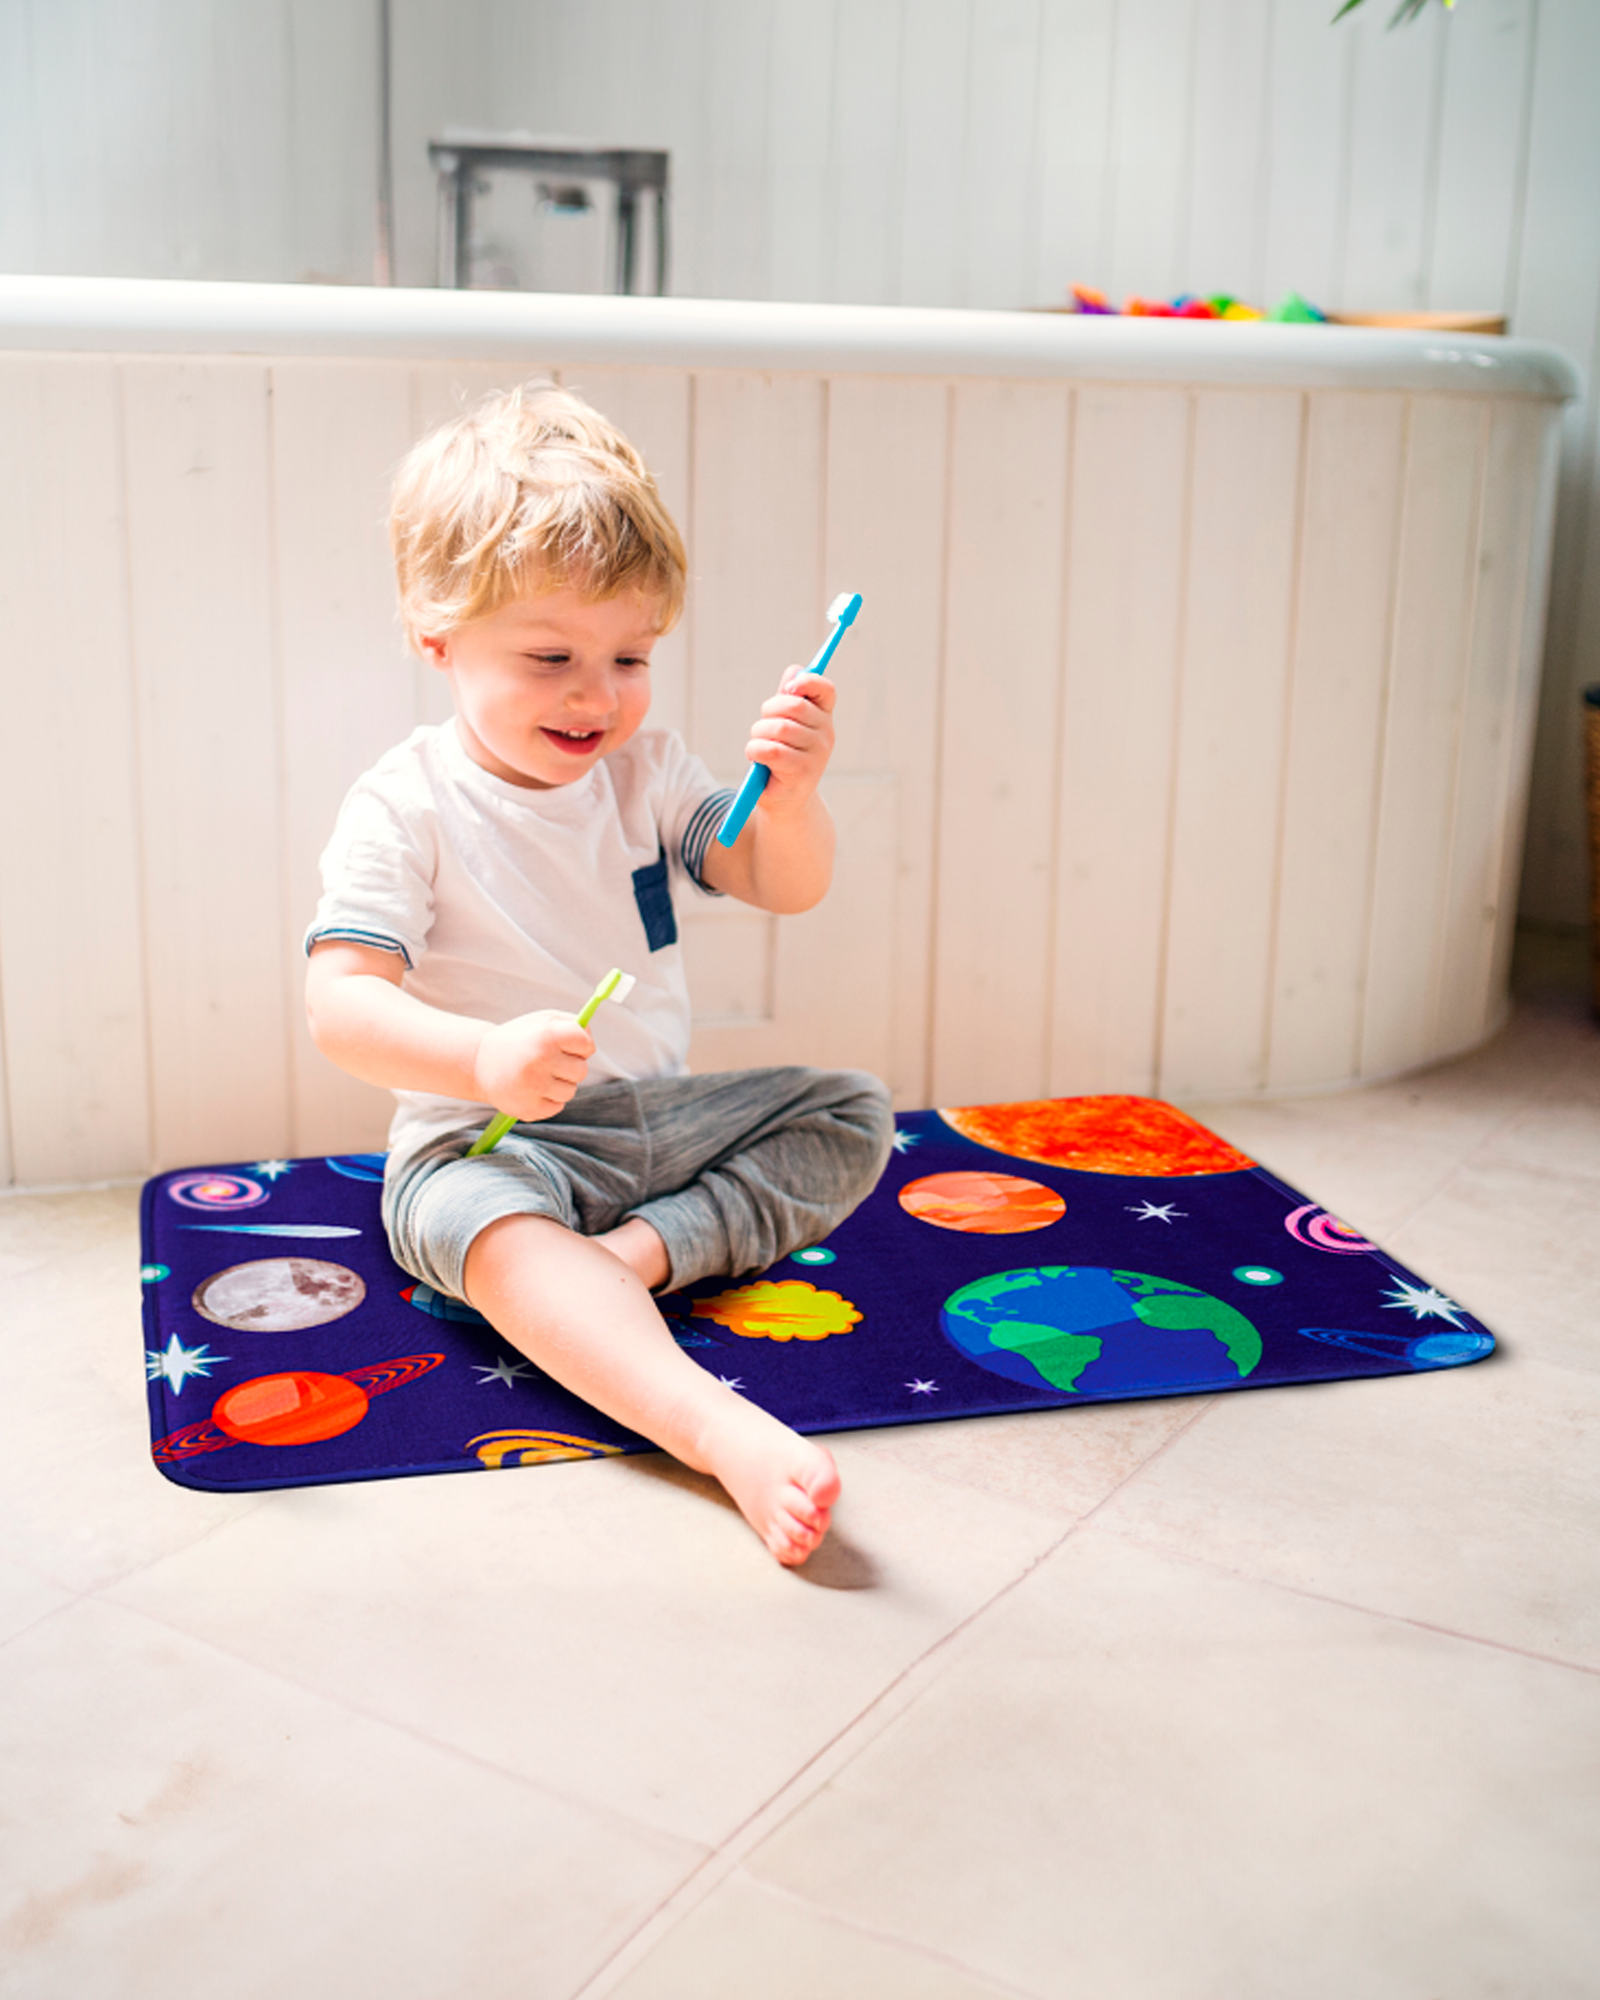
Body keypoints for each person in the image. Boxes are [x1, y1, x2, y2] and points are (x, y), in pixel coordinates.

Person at [304, 382, 893, 1565]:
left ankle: (623, 1265)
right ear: (437, 635)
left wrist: (800, 794)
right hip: (487, 1141)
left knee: (849, 1112)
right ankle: (711, 1427)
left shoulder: (650, 773)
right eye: (551, 656)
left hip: (651, 1124)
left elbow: (782, 881)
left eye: (630, 655)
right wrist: (480, 1055)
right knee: (479, 1225)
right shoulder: (403, 804)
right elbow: (339, 1006)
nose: (597, 693)